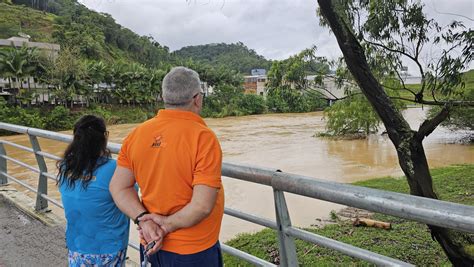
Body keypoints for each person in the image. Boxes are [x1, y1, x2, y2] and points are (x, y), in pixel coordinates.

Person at [109, 66, 224, 266]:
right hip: (194, 250)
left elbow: (118, 187)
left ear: (164, 97)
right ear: (197, 98)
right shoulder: (203, 138)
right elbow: (202, 205)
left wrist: (143, 219)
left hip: (152, 241)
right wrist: (167, 225)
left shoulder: (137, 134)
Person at [57, 115, 129, 267]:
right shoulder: (113, 169)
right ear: (104, 138)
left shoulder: (65, 167)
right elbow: (130, 199)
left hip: (77, 247)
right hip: (109, 250)